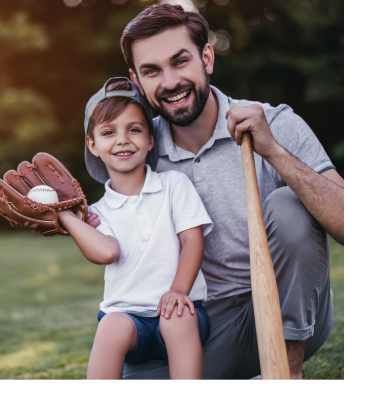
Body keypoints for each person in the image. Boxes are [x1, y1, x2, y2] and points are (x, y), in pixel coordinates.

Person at [87, 4, 344, 380]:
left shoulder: (273, 123)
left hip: (289, 309)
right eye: (152, 71)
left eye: (180, 61)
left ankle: (285, 373)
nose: (170, 81)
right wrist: (61, 213)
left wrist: (273, 151)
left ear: (207, 57)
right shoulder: (139, 145)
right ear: (137, 81)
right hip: (202, 319)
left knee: (290, 205)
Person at [59, 77, 213, 380]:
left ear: (150, 139)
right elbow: (107, 252)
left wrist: (178, 291)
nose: (122, 140)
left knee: (177, 317)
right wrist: (66, 216)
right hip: (130, 322)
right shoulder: (96, 213)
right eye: (108, 132)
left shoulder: (173, 185)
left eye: (134, 129)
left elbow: (192, 242)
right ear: (92, 144)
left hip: (182, 308)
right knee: (111, 325)